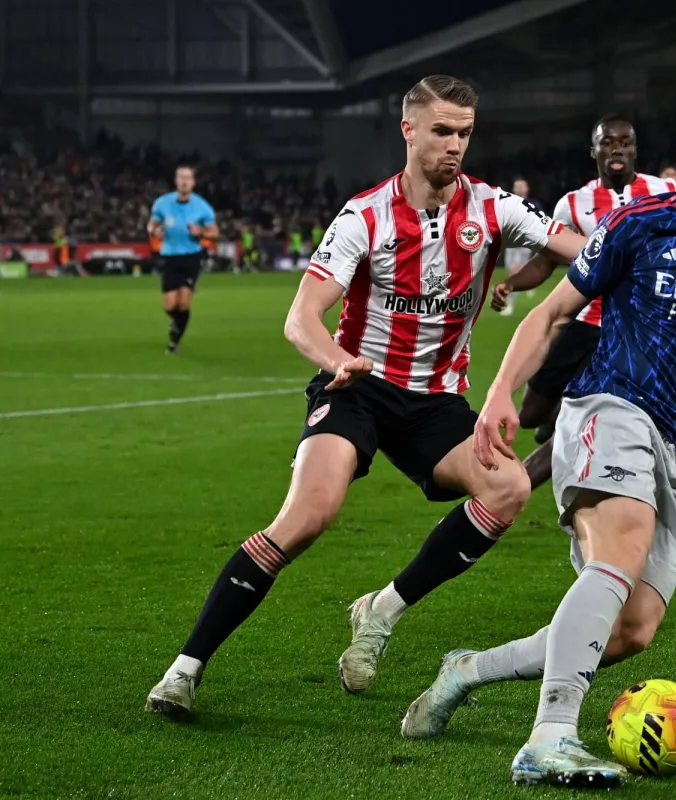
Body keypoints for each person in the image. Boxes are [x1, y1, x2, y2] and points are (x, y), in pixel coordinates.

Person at [144, 75, 587, 718]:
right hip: (358, 386)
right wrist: (337, 360)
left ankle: (382, 610)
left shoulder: (494, 208)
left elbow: (581, 251)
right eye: (442, 131)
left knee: (509, 487)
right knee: (308, 516)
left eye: (464, 133)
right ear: (408, 130)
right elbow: (301, 318)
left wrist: (637, 254)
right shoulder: (366, 214)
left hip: (434, 400)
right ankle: (184, 670)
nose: (455, 145)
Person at [401, 104, 676, 788]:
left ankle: (468, 670)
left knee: (628, 631)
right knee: (620, 548)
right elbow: (552, 313)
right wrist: (502, 392)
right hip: (607, 409)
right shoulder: (642, 222)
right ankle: (549, 738)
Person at [489, 115, 676, 489]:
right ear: (593, 151)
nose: (617, 149)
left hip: (631, 332)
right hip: (581, 320)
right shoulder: (573, 204)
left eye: (624, 142)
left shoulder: (667, 193)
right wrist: (511, 284)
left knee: (580, 414)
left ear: (635, 150)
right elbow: (547, 261)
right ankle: (556, 417)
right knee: (530, 415)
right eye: (607, 142)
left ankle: (511, 488)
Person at [148, 165, 218, 353]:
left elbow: (214, 233)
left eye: (188, 178)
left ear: (193, 182)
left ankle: (174, 341)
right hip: (170, 257)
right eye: (181, 177)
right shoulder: (162, 203)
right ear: (176, 180)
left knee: (184, 303)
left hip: (191, 257)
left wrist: (201, 232)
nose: (184, 181)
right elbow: (152, 224)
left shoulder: (202, 207)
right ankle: (176, 322)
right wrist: (154, 230)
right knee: (170, 305)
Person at [499, 178, 538, 317]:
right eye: (517, 186)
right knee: (512, 271)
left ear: (527, 188)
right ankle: (528, 284)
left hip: (524, 244)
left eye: (522, 186)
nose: (520, 188)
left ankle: (510, 304)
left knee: (515, 273)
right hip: (511, 243)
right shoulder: (509, 203)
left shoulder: (534, 205)